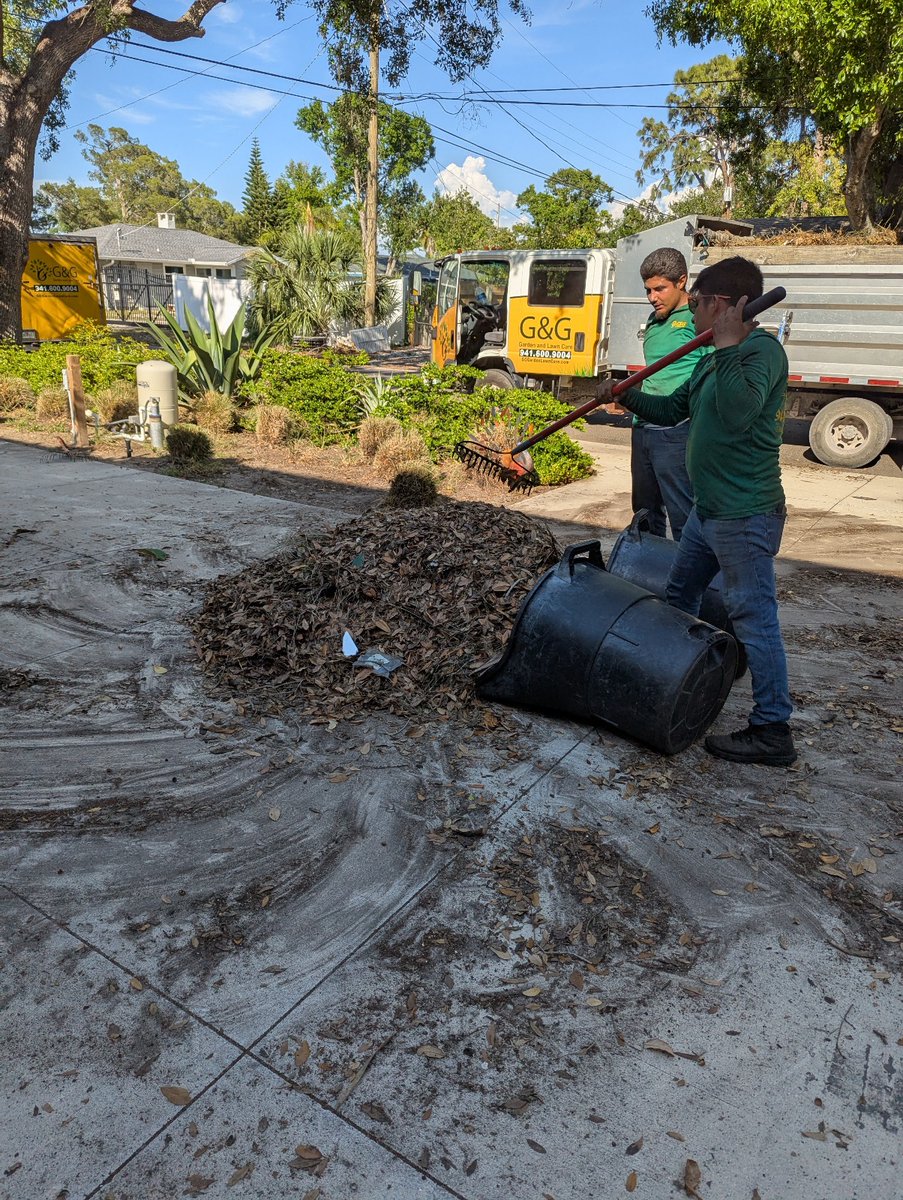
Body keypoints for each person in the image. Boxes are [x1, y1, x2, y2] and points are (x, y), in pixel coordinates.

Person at [597, 255, 796, 767]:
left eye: (703, 302)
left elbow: (736, 415)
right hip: (710, 512)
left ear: (725, 307)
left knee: (755, 619)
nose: (695, 310)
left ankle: (773, 728)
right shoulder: (712, 356)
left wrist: (727, 348)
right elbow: (673, 408)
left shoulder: (759, 353)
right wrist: (627, 397)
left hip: (745, 513)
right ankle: (674, 680)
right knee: (679, 595)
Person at [630, 248, 708, 540]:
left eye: (660, 289)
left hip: (677, 431)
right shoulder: (654, 320)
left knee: (682, 512)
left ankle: (689, 580)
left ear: (682, 282)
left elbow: (710, 372)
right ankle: (649, 568)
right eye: (648, 290)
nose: (652, 297)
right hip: (643, 427)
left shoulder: (697, 318)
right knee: (644, 513)